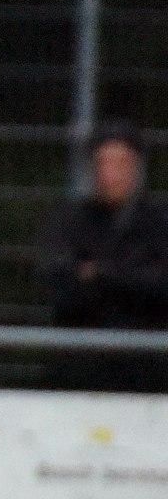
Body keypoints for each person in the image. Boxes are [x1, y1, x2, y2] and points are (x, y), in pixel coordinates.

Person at [40, 120, 168, 392]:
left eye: (122, 163)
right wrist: (132, 276)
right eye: (104, 163)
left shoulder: (158, 223)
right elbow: (61, 288)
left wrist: (99, 274)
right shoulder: (69, 220)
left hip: (147, 371)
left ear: (137, 168)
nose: (112, 174)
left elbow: (160, 287)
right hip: (79, 370)